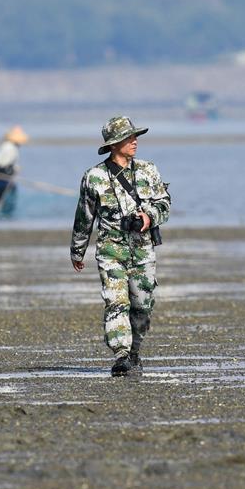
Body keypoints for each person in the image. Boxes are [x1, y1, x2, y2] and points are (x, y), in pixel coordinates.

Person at [70, 116, 171, 376]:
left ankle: (135, 350)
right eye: (128, 137)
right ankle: (121, 354)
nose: (134, 141)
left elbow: (164, 204)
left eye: (135, 136)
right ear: (114, 144)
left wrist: (149, 218)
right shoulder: (94, 177)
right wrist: (77, 251)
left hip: (143, 249)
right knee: (116, 302)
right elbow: (84, 216)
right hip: (110, 249)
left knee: (142, 305)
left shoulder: (149, 171)